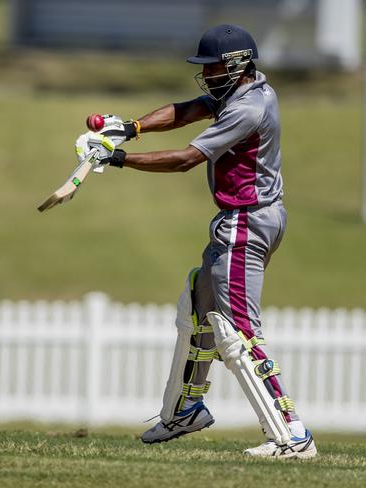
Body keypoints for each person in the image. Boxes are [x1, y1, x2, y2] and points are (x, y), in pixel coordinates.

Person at [77, 24, 316, 459]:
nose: (207, 74)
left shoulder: (248, 109)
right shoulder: (241, 92)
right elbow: (188, 109)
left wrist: (117, 158)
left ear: (239, 65)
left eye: (214, 67)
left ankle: (291, 434)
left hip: (248, 221)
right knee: (198, 306)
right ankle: (184, 410)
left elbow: (187, 159)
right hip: (242, 218)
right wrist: (128, 127)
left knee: (238, 329)